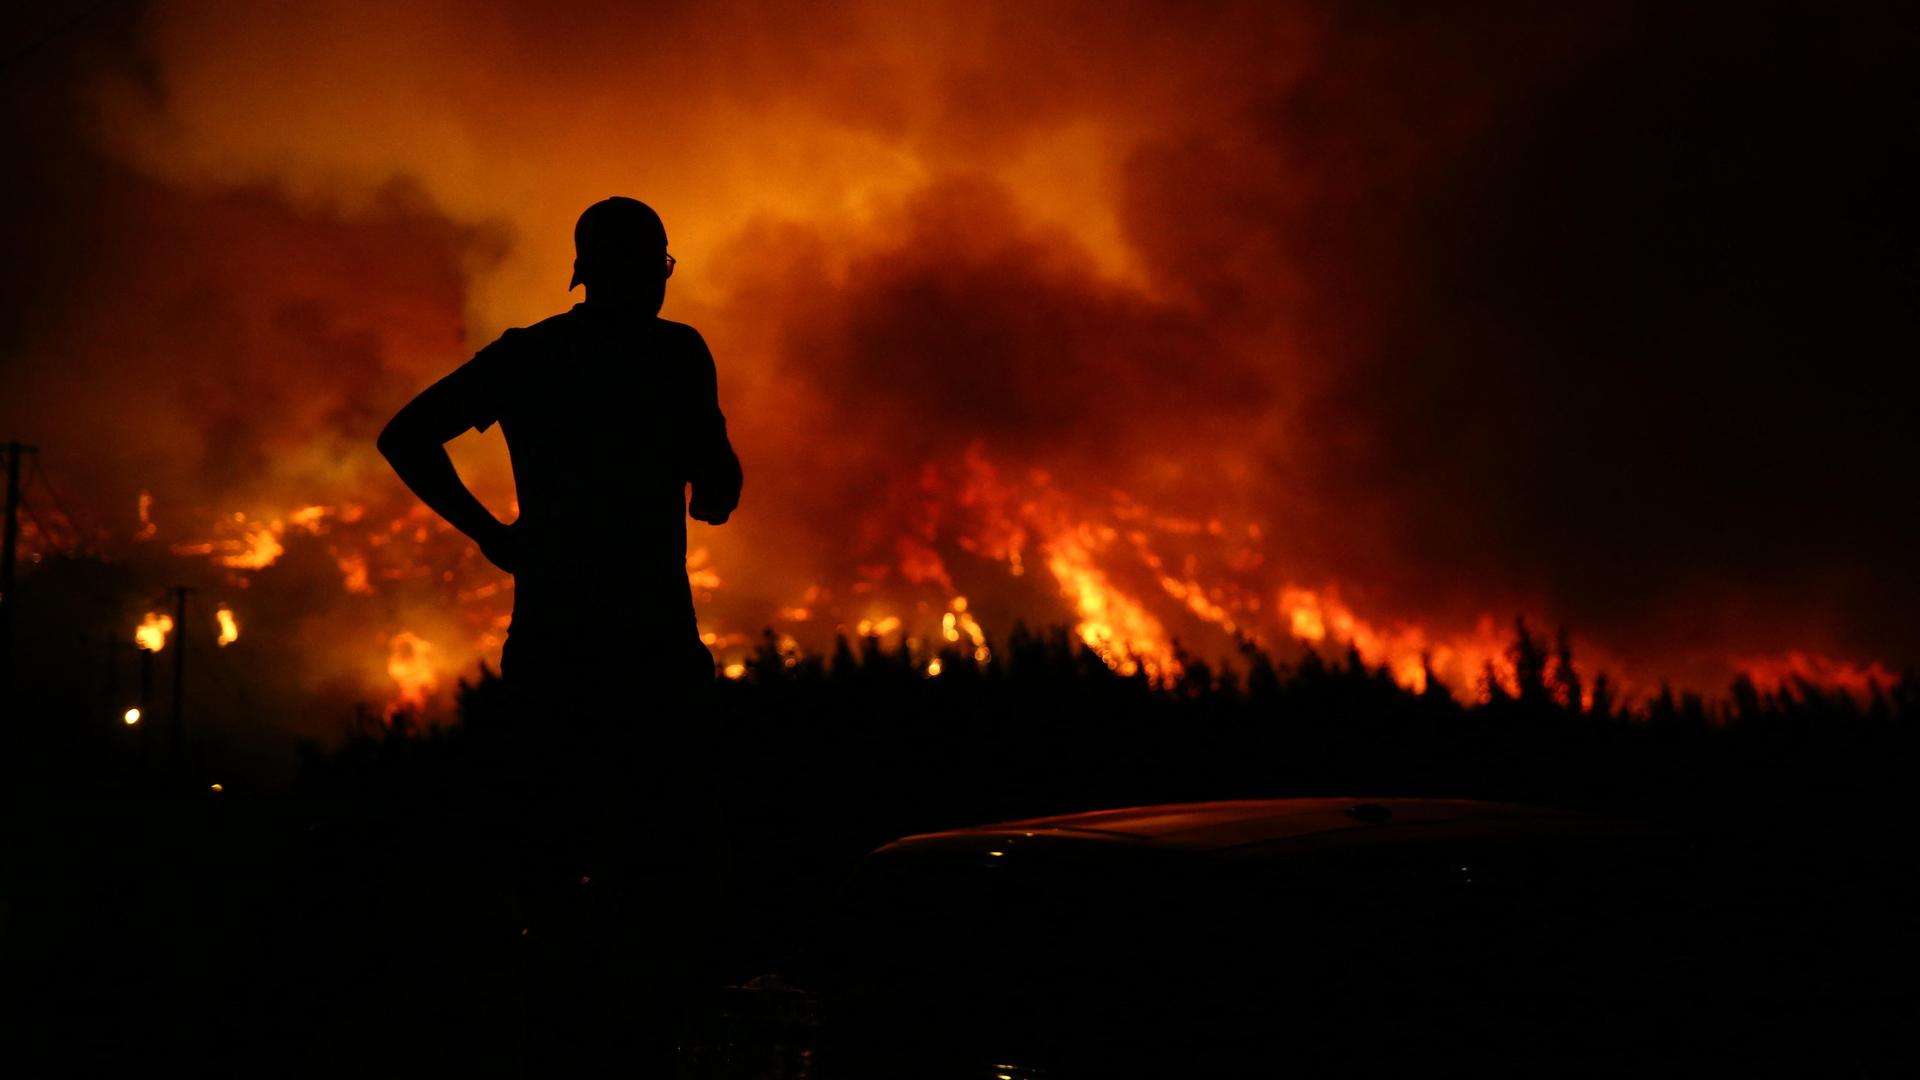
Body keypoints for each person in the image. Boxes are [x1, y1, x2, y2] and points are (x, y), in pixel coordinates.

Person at [377, 196, 742, 1074]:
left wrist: (492, 534)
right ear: (656, 269)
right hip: (653, 648)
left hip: (552, 646)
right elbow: (717, 496)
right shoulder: (674, 354)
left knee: (548, 862)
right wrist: (705, 463)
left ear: (584, 271)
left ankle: (553, 1037)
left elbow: (405, 435)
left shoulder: (530, 357)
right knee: (662, 864)